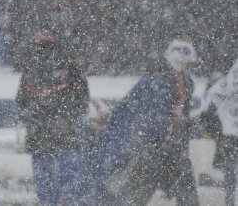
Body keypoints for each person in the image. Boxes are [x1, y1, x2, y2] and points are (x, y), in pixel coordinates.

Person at [81, 39, 199, 205]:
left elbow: (179, 122)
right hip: (151, 151)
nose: (185, 71)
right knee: (133, 195)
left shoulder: (187, 84)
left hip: (171, 151)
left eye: (187, 66)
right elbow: (134, 113)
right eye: (183, 65)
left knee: (186, 194)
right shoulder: (154, 83)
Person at [16, 30, 89, 205]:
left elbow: (21, 102)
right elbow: (82, 97)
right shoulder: (69, 65)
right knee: (68, 173)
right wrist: (67, 116)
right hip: (63, 131)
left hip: (40, 131)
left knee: (44, 175)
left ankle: (50, 202)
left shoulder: (31, 67)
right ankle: (67, 201)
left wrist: (32, 118)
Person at [195, 58, 238, 206]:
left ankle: (230, 198)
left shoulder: (221, 85)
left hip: (228, 135)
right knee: (230, 173)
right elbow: (208, 111)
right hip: (229, 135)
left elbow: (207, 110)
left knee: (230, 173)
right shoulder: (221, 86)